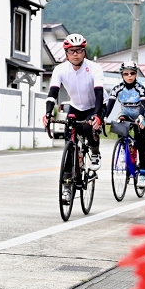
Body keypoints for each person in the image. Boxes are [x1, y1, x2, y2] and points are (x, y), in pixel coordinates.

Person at [43, 34, 103, 187]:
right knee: (69, 145)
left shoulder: (95, 68)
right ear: (66, 53)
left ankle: (95, 152)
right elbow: (53, 93)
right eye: (71, 51)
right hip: (75, 107)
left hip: (93, 106)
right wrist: (48, 113)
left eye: (79, 50)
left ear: (84, 52)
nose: (75, 54)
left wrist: (97, 115)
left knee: (89, 128)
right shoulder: (60, 69)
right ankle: (67, 186)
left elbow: (99, 94)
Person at [104, 61, 145, 177]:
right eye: (126, 74)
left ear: (136, 74)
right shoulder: (117, 88)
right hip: (126, 115)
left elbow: (143, 103)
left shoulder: (140, 87)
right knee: (119, 124)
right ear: (122, 75)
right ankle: (123, 150)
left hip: (143, 115)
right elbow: (110, 104)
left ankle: (142, 173)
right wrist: (104, 117)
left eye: (132, 73)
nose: (129, 76)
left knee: (141, 144)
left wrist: (140, 116)